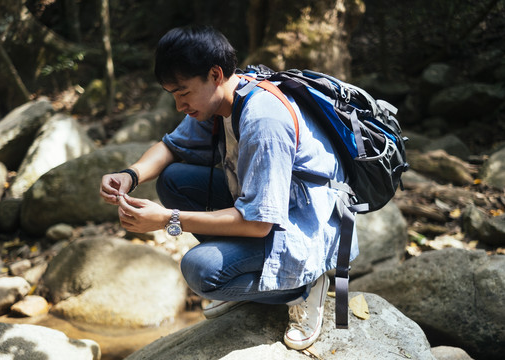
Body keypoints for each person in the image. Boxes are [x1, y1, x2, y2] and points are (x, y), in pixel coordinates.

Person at [99, 25, 358, 350]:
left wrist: (168, 220)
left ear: (215, 74)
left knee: (200, 271)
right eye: (174, 95)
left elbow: (258, 224)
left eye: (183, 93)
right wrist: (130, 175)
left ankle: (303, 285)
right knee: (173, 179)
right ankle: (252, 279)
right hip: (269, 212)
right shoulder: (223, 98)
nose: (180, 105)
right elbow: (171, 147)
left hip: (307, 227)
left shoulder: (264, 122)